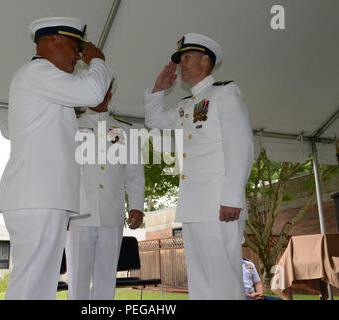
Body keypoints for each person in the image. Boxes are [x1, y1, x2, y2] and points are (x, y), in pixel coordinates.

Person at [0, 17, 114, 300]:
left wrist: (68, 207)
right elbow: (93, 91)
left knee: (41, 283)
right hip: (37, 196)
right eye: (75, 47)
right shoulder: (38, 73)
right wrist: (98, 61)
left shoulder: (44, 79)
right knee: (33, 282)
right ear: (54, 41)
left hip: (43, 197)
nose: (77, 56)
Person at [144, 33, 254, 299]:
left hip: (220, 205)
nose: (180, 64)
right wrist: (158, 88)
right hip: (193, 207)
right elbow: (154, 119)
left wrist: (232, 197)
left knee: (224, 280)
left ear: (205, 60)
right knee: (200, 282)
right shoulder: (186, 105)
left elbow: (241, 147)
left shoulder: (225, 93)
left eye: (186, 57)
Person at [66, 84, 145, 300]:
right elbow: (64, 169)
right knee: (77, 280)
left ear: (110, 94)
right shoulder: (72, 124)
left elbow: (134, 171)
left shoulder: (124, 130)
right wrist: (64, 210)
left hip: (112, 214)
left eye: (103, 91)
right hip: (79, 215)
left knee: (106, 279)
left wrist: (137, 205)